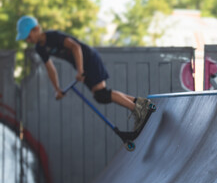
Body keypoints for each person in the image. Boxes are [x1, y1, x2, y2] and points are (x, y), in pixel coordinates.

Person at [16, 15, 151, 131]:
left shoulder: (53, 36)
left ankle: (138, 110)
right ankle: (141, 103)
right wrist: (57, 89)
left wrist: (80, 70)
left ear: (36, 29)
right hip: (81, 65)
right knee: (101, 95)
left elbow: (76, 47)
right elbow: (50, 68)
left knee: (102, 94)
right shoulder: (40, 48)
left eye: (28, 37)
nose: (27, 40)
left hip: (88, 58)